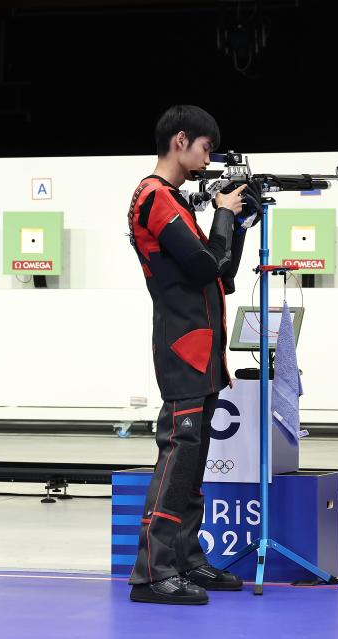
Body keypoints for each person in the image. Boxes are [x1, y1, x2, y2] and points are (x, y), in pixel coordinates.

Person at [126, 105, 262, 604]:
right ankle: (152, 572)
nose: (208, 160)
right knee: (178, 457)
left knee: (193, 459)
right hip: (183, 347)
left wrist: (238, 223)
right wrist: (222, 211)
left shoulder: (175, 202)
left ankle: (185, 558)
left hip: (202, 350)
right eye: (206, 148)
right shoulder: (154, 197)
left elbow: (222, 271)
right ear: (180, 140)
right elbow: (205, 267)